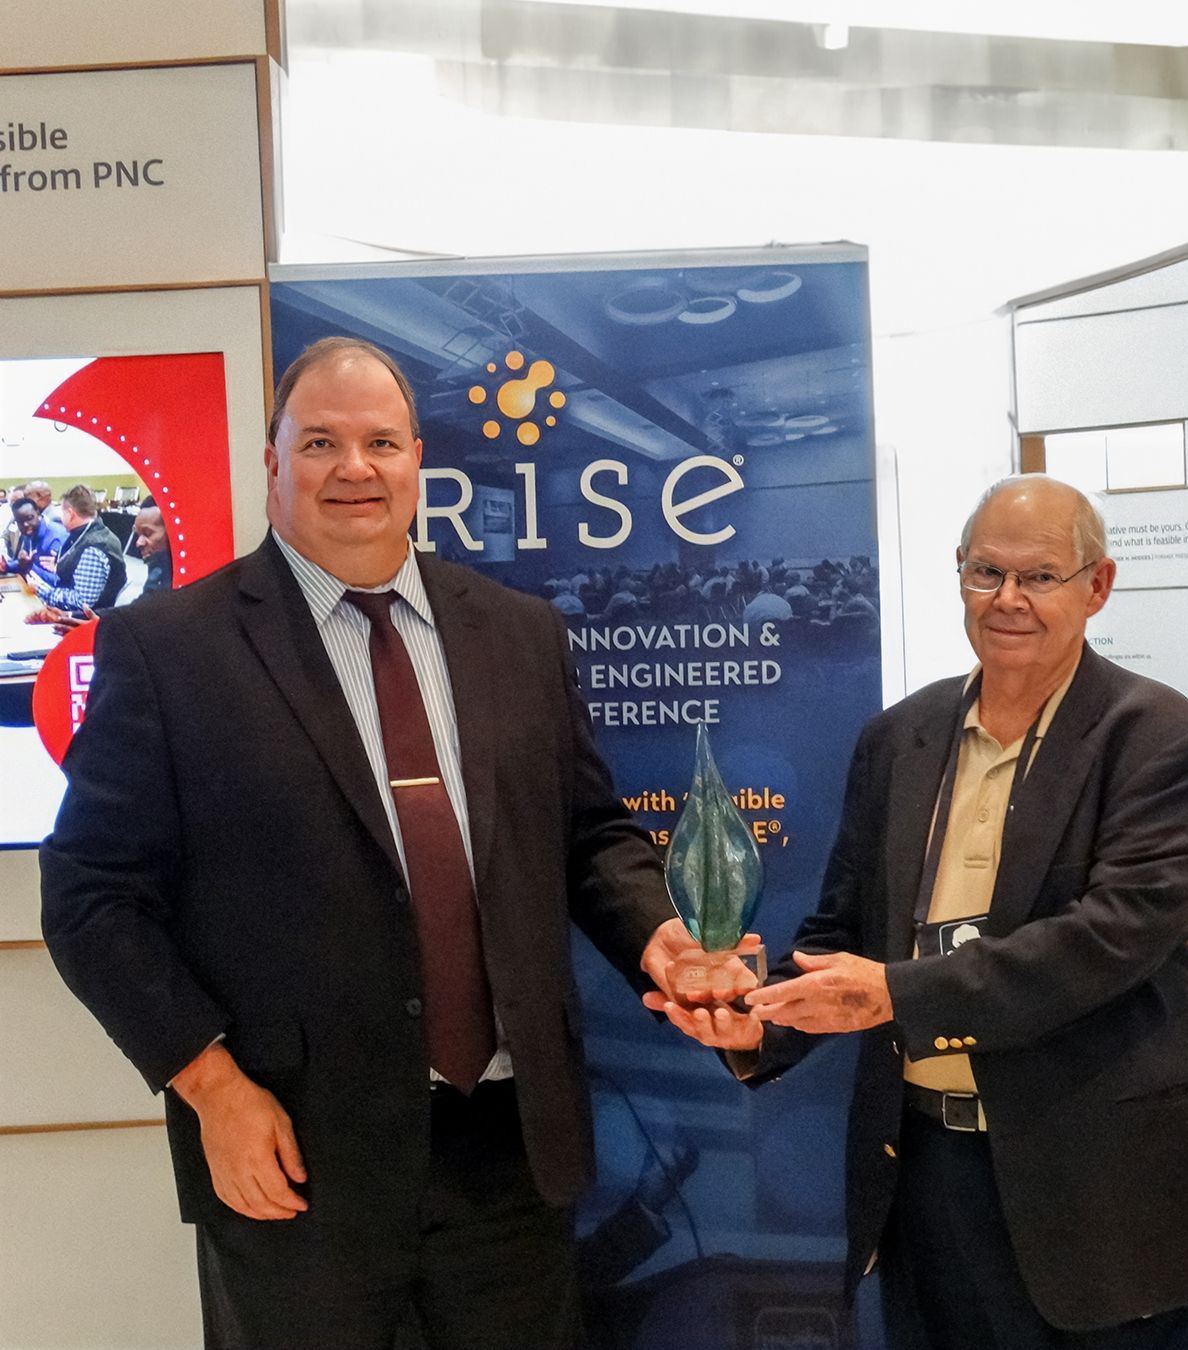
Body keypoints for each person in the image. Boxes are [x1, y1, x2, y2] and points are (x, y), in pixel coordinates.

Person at [39, 336, 709, 1350]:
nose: (354, 468)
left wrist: (659, 935)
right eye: (320, 442)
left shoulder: (520, 635)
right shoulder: (174, 651)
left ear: (416, 462)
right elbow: (91, 896)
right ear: (271, 464)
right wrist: (210, 1087)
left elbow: (586, 837)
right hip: (294, 1157)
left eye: (380, 442)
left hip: (510, 1155)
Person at [661, 475, 1188, 1348]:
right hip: (924, 1174)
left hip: (1096, 1184)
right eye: (985, 573)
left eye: (1040, 576)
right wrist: (759, 1022)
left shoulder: (1155, 736)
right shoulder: (899, 736)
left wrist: (899, 993)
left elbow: (1115, 935)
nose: (1008, 599)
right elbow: (839, 936)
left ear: (1098, 585)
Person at [36, 483, 126, 612]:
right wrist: (59, 566)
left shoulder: (93, 548)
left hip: (83, 622)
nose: (61, 518)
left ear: (70, 513)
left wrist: (41, 589)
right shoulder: (98, 532)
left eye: (62, 513)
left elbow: (82, 602)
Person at [1, 494, 66, 589]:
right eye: (20, 521)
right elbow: (25, 564)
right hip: (34, 591)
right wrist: (6, 566)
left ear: (38, 513)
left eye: (29, 518)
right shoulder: (29, 533)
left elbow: (59, 581)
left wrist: (29, 567)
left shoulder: (56, 538)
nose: (26, 524)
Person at [132, 503, 172, 593]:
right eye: (137, 535)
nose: (138, 543)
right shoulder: (157, 563)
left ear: (169, 532)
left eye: (147, 533)